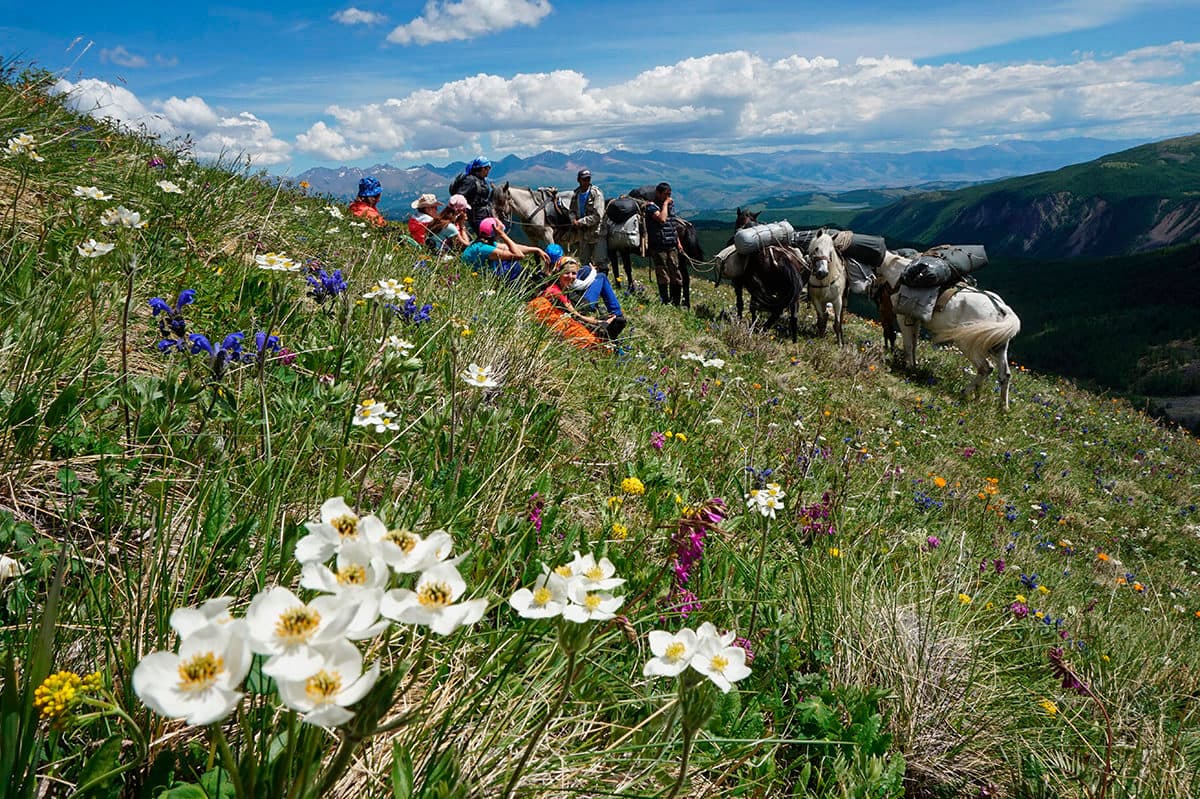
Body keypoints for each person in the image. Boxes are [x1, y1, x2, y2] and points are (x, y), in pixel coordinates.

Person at [461, 216, 549, 283]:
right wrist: (503, 235)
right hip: (482, 281)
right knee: (513, 264)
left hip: (480, 278)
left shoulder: (481, 243)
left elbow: (513, 248)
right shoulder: (483, 249)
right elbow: (519, 255)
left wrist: (536, 249)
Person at [645, 181, 684, 306]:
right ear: (658, 193)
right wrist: (666, 204)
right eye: (665, 194)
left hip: (671, 244)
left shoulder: (669, 207)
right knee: (663, 274)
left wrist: (678, 242)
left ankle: (676, 301)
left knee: (676, 273)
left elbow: (672, 225)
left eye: (669, 194)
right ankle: (665, 300)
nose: (668, 197)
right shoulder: (652, 207)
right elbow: (662, 219)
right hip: (659, 246)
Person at [569, 169, 605, 268]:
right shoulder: (576, 194)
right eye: (584, 179)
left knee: (600, 261)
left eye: (588, 179)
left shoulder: (596, 193)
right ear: (579, 180)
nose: (586, 181)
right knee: (584, 261)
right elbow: (571, 210)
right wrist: (573, 220)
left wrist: (580, 222)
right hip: (582, 234)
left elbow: (598, 215)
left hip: (596, 232)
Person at [449, 157, 495, 234]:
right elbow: (459, 197)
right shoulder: (470, 180)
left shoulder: (481, 180)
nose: (489, 171)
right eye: (488, 168)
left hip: (484, 215)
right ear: (483, 168)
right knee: (487, 237)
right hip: (476, 217)